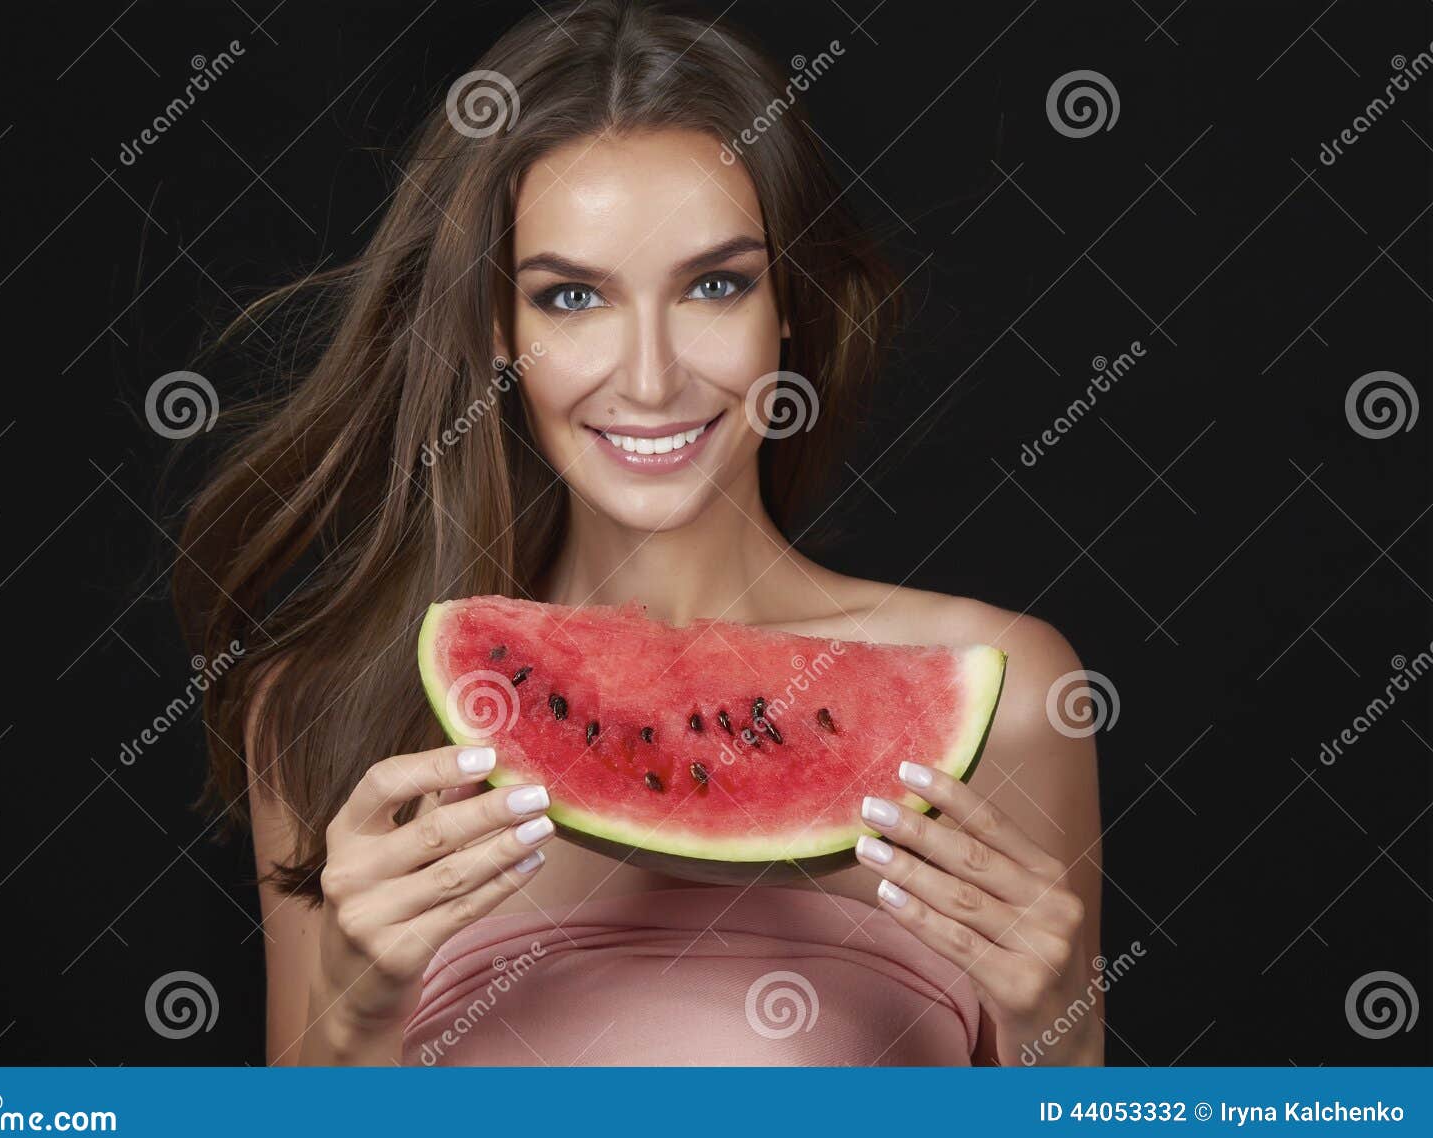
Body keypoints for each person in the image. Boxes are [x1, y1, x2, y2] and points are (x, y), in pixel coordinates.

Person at [173, 0, 1102, 1066]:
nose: (652, 377)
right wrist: (356, 1012)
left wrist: (1053, 1022)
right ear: (496, 330)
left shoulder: (1014, 692)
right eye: (571, 297)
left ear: (785, 301)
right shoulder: (325, 712)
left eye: (715, 284)